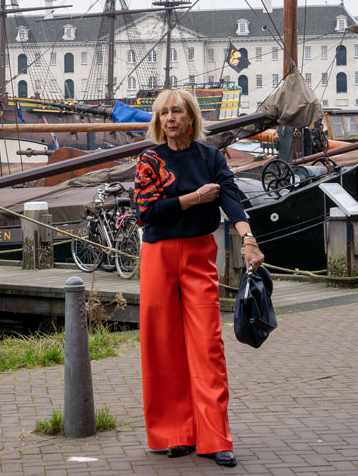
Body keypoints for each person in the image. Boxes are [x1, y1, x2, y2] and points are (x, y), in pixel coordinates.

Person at [134, 89, 264, 468]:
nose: (169, 119)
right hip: (159, 257)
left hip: (198, 254)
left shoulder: (210, 157)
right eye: (163, 114)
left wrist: (248, 239)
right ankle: (175, 433)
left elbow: (231, 198)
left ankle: (215, 437)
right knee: (163, 346)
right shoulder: (150, 159)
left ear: (191, 118)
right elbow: (146, 212)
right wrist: (193, 198)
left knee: (207, 344)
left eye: (176, 112)